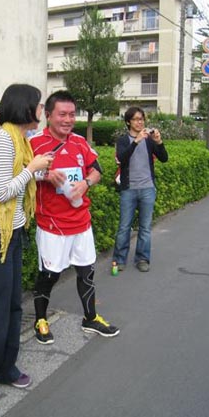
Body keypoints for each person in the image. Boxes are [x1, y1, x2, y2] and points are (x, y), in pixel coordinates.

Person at [0, 84, 53, 405]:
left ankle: (5, 368)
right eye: (39, 105)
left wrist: (43, 173)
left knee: (14, 305)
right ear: (24, 107)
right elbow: (3, 192)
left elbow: (21, 178)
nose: (42, 110)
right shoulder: (4, 139)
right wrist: (32, 169)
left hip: (13, 231)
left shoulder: (22, 138)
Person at [29, 90, 120, 345]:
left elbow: (97, 169)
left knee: (86, 271)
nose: (68, 120)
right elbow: (22, 173)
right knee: (49, 274)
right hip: (52, 223)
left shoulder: (79, 142)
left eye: (72, 114)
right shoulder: (34, 143)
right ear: (49, 115)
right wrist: (46, 175)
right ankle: (40, 320)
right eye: (62, 114)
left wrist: (86, 183)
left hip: (81, 221)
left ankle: (90, 318)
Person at [112, 106, 168, 274]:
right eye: (136, 119)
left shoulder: (149, 140)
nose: (140, 122)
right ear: (128, 122)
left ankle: (142, 259)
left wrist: (159, 142)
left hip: (147, 188)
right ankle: (119, 259)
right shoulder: (123, 141)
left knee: (145, 227)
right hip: (128, 189)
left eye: (142, 119)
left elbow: (164, 158)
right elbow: (121, 159)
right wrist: (135, 142)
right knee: (124, 227)